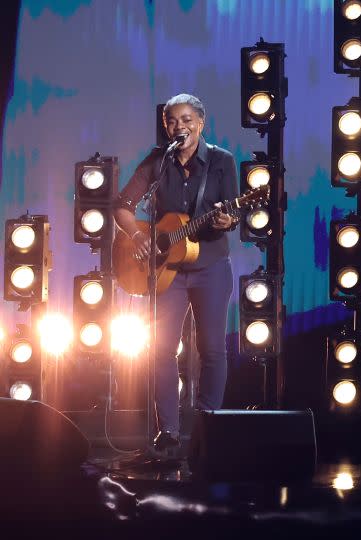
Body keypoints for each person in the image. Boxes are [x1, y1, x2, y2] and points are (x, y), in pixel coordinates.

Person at [113, 93, 239, 455]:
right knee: (160, 350)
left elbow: (232, 214)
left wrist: (227, 218)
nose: (179, 126)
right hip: (167, 274)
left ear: (201, 123)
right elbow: (122, 207)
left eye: (186, 120)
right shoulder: (159, 160)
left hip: (210, 267)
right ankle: (167, 429)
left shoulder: (221, 161)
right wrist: (139, 236)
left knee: (212, 349)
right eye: (172, 120)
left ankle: (208, 424)